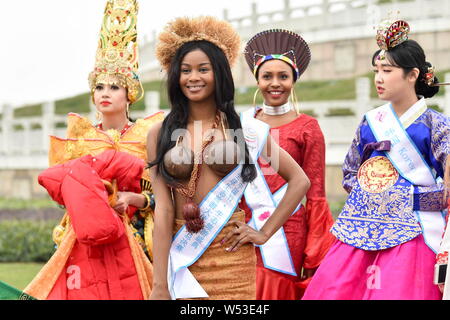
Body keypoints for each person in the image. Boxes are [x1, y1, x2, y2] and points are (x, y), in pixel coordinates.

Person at [147, 16, 311, 300]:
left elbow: (299, 181)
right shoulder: (160, 132)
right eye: (185, 70)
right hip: (184, 256)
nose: (193, 78)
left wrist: (263, 233)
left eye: (203, 69)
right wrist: (159, 284)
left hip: (232, 254)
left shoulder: (244, 130)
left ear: (219, 73)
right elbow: (162, 210)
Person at [303, 18, 450, 300]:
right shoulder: (371, 122)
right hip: (366, 227)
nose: (379, 78)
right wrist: (374, 196)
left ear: (412, 75)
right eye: (376, 71)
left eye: (387, 70)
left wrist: (406, 198)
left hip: (417, 230)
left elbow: (447, 191)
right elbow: (350, 173)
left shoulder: (437, 125)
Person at [23, 0, 161, 300]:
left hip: (137, 238)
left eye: (114, 87)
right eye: (99, 87)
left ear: (130, 94)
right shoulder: (82, 138)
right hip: (86, 237)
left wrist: (136, 198)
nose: (105, 94)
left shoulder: (147, 135)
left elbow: (167, 194)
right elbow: (64, 197)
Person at [240, 29, 335, 300]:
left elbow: (315, 195)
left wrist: (315, 250)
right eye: (267, 76)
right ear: (257, 80)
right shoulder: (244, 124)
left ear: (294, 79)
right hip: (244, 225)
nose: (275, 83)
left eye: (283, 76)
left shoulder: (308, 128)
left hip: (288, 233)